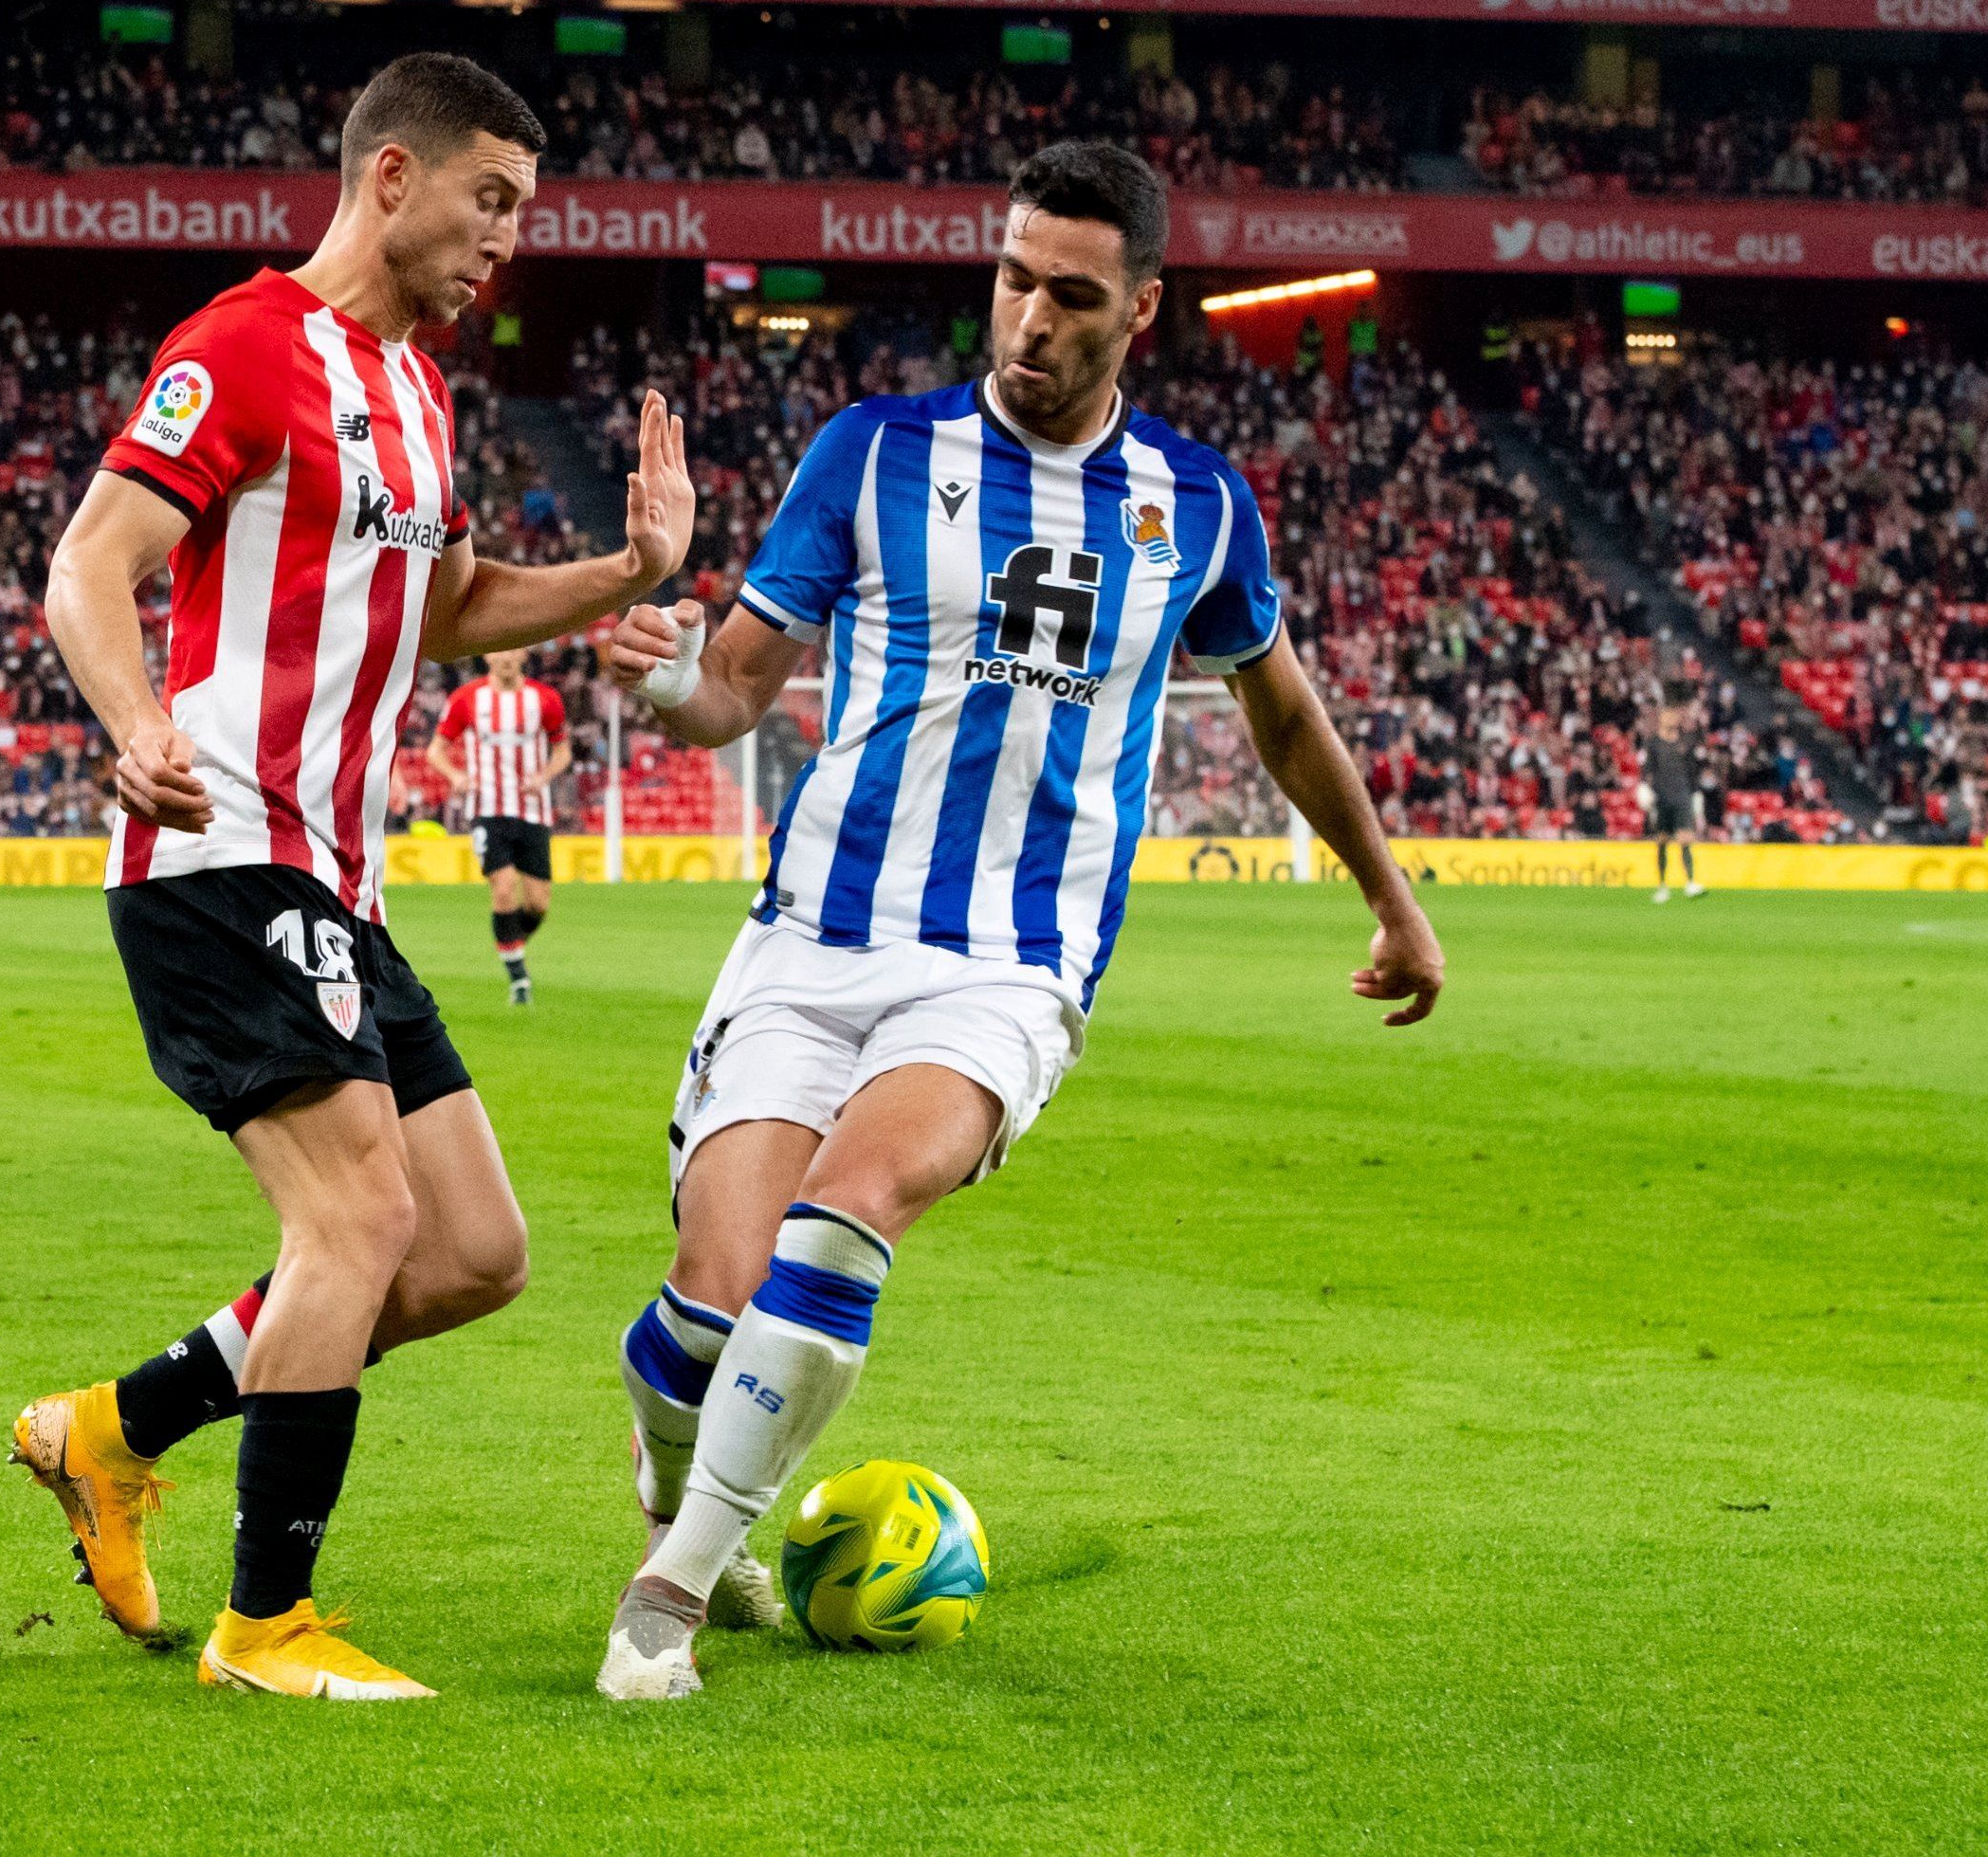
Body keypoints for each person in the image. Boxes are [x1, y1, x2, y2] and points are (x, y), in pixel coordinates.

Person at [591, 141, 1448, 1702]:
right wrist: (657, 671)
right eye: (1010, 280)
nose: (1028, 320)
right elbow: (728, 689)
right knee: (706, 1310)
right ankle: (673, 1465)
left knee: (850, 1211)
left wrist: (1392, 900)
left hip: (1004, 964)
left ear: (1139, 309)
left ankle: (667, 1589)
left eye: (1068, 294)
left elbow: (1281, 719)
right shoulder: (866, 453)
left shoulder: (1193, 504)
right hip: (808, 938)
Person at [15, 52, 697, 1702]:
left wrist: (622, 575)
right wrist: (130, 721)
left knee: (467, 1251)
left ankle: (109, 1432)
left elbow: (449, 607)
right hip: (217, 845)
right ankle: (266, 1624)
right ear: (388, 177)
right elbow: (89, 563)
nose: (504, 243)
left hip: (337, 878)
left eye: (519, 214)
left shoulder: (420, 394)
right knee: (356, 1214)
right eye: (489, 202)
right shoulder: (241, 348)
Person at [429, 648, 572, 1003]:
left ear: (523, 654)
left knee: (538, 903)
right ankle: (519, 979)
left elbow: (563, 750)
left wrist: (545, 776)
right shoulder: (467, 699)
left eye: (513, 650)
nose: (506, 657)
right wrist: (455, 775)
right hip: (487, 808)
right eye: (499, 651)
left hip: (533, 810)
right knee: (504, 887)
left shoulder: (545, 699)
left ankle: (509, 943)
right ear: (488, 657)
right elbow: (436, 750)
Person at [1646, 701, 1705, 901]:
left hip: (1682, 797)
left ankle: (1690, 882)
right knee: (1662, 842)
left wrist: (1696, 795)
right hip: (1662, 799)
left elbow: (1692, 772)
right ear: (1662, 718)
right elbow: (1648, 770)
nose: (1672, 718)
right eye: (1669, 714)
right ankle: (1662, 885)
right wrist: (1645, 790)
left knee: (1685, 839)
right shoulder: (1653, 743)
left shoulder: (1686, 742)